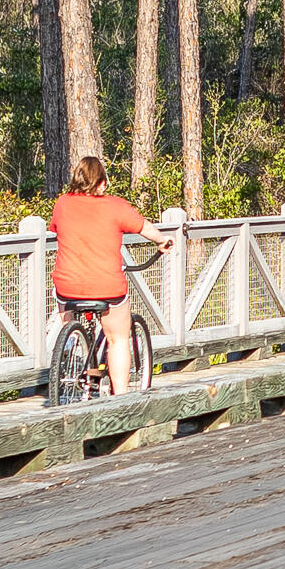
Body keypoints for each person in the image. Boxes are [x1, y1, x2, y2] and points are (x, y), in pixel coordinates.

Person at [50, 156, 175, 397]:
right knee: (117, 338)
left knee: (67, 309)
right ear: (101, 183)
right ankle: (120, 398)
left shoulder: (62, 204)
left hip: (68, 286)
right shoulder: (115, 206)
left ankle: (72, 345)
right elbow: (145, 228)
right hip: (107, 286)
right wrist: (162, 240)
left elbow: (55, 229)